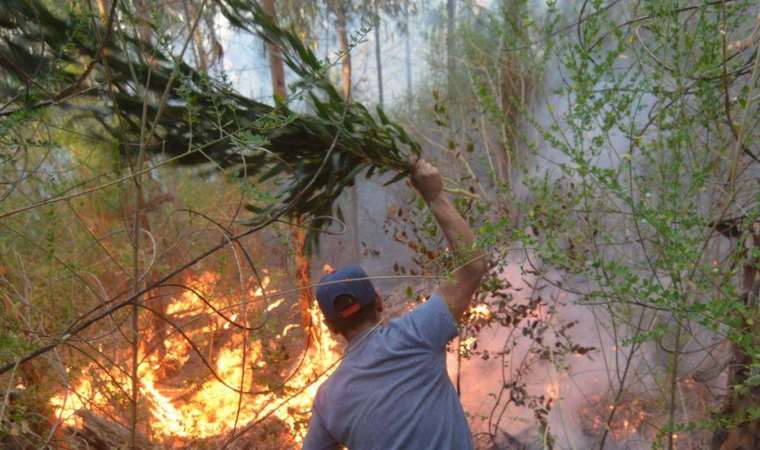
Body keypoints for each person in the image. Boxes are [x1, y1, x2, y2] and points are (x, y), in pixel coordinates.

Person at [302, 159, 487, 450]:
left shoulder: (328, 399)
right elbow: (472, 268)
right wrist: (434, 195)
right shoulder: (415, 334)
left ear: (330, 327)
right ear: (378, 300)